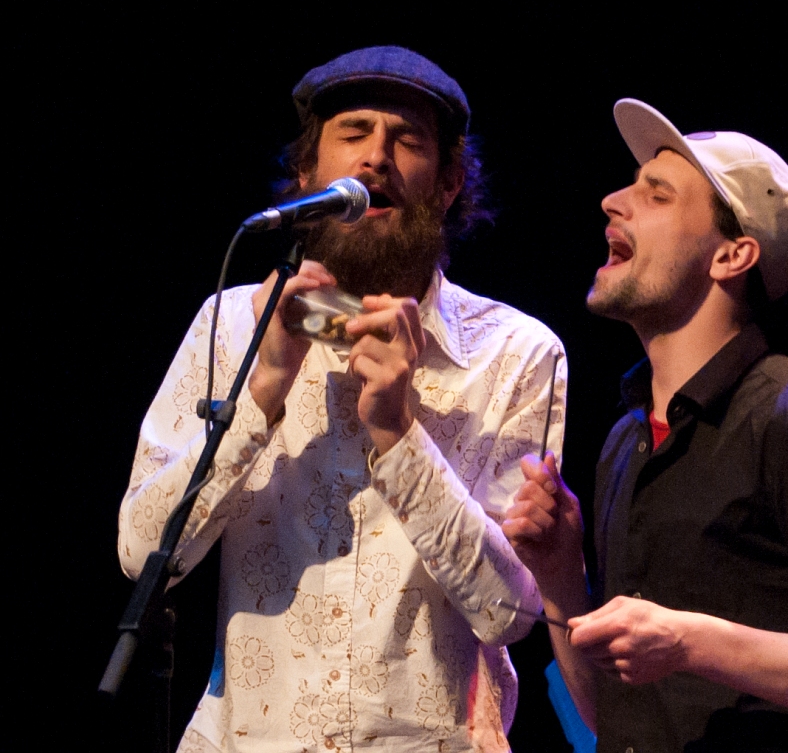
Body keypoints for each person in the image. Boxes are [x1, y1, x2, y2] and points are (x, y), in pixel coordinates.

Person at [119, 46, 566, 753]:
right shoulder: (231, 324)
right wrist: (263, 391)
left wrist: (399, 436)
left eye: (407, 140)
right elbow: (142, 551)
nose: (376, 156)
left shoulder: (515, 351)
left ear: (449, 184)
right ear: (307, 173)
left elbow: (510, 612)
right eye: (353, 132)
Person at [503, 99, 788, 752]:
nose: (612, 202)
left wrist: (690, 641)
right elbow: (613, 719)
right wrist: (561, 576)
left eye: (657, 194)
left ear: (732, 256)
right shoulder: (627, 440)